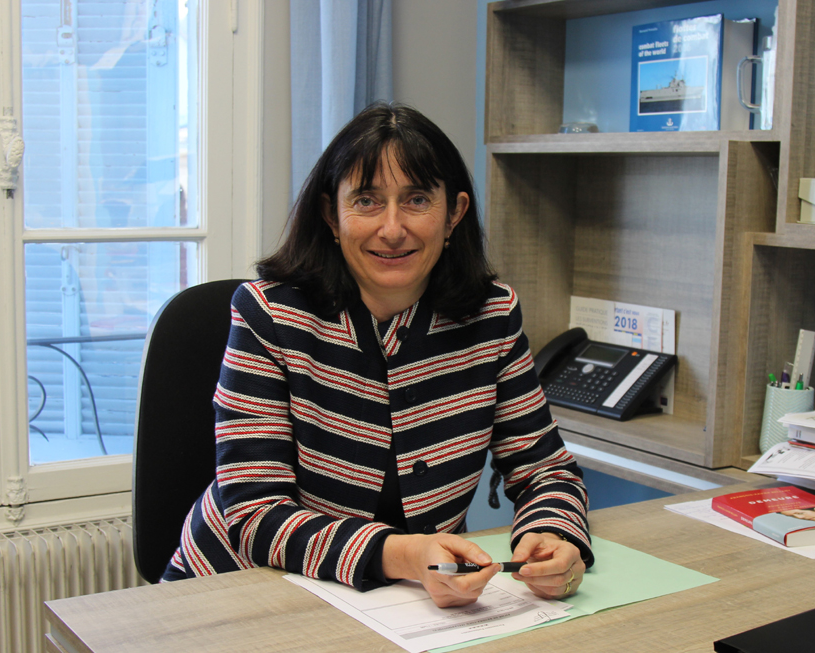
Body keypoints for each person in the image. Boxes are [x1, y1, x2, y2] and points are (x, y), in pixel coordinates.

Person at [161, 102, 593, 607]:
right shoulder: (270, 315)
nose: (391, 228)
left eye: (416, 200)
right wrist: (402, 555)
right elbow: (255, 514)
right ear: (332, 215)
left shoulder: (492, 316)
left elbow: (545, 468)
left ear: (453, 214)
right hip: (240, 589)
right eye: (366, 201)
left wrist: (553, 534)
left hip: (409, 605)